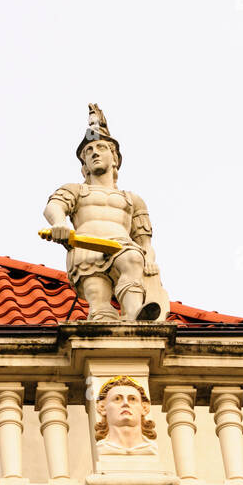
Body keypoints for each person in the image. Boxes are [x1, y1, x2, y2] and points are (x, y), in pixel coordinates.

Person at [44, 105, 166, 322]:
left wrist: (149, 259)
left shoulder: (132, 199)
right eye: (88, 152)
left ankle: (134, 313)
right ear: (84, 165)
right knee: (99, 304)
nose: (95, 153)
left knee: (132, 259)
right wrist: (59, 223)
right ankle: (103, 322)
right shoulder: (77, 190)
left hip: (120, 245)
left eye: (101, 147)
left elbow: (144, 240)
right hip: (85, 248)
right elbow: (54, 206)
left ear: (114, 158)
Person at [95, 376, 159, 455]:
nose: (125, 403)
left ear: (144, 408)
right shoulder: (101, 449)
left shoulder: (151, 449)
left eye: (132, 399)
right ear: (102, 407)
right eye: (117, 399)